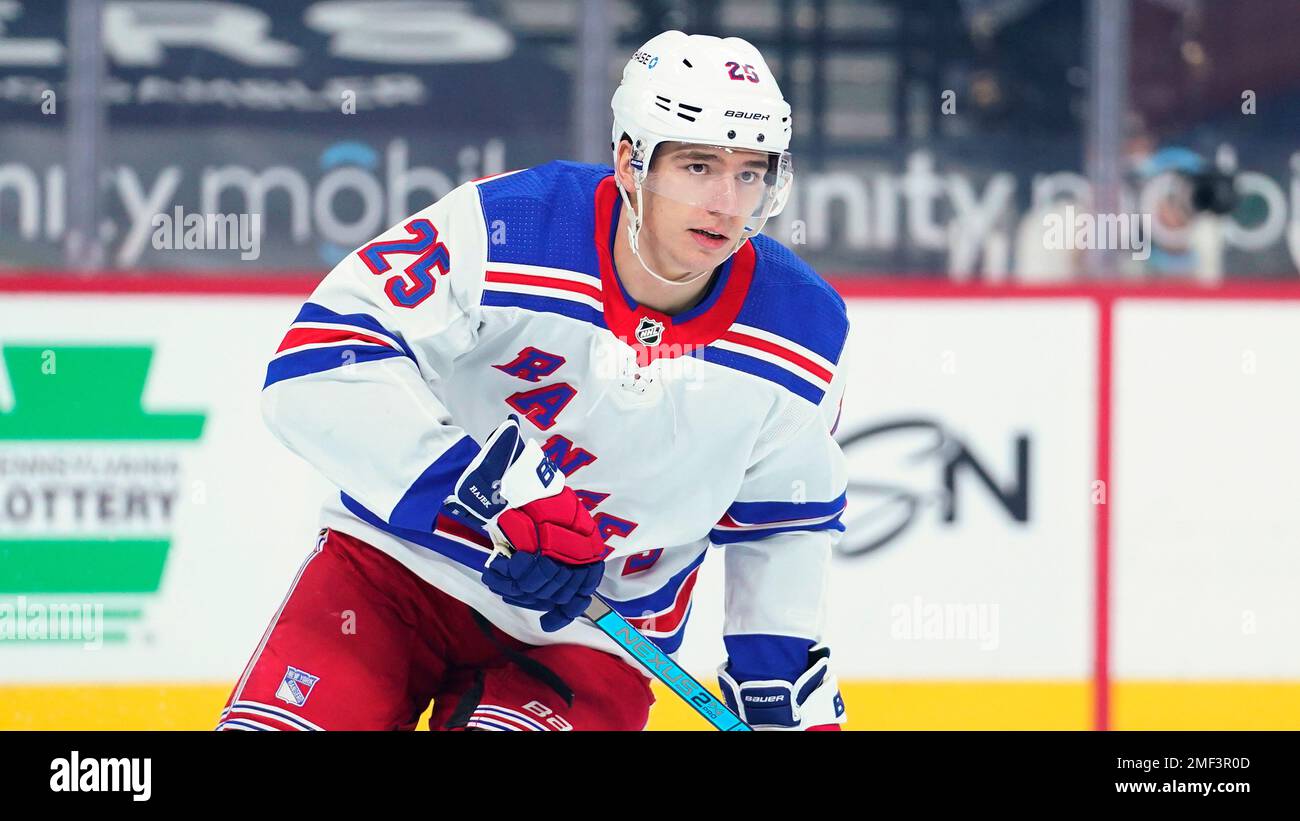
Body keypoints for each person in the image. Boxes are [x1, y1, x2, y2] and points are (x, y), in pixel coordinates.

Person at [217, 30, 849, 732]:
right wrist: (489, 489)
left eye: (750, 173)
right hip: (396, 572)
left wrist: (778, 678)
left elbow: (784, 518)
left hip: (591, 634)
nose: (727, 202)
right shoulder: (509, 228)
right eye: (698, 166)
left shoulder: (804, 329)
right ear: (629, 162)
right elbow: (317, 363)